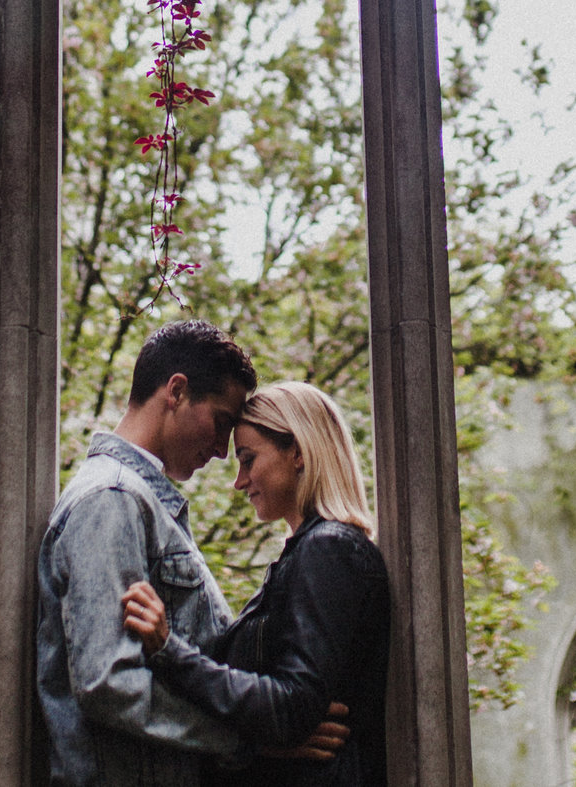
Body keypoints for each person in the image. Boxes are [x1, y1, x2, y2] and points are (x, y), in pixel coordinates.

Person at [38, 322, 352, 787]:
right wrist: (250, 742)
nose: (225, 453)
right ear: (177, 392)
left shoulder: (140, 502)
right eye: (223, 422)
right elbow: (108, 683)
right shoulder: (112, 499)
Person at [120, 382, 391, 787]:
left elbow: (291, 708)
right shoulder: (308, 555)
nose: (240, 481)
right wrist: (258, 746)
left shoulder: (328, 550)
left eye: (248, 460)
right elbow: (286, 717)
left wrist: (168, 649)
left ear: (298, 452)